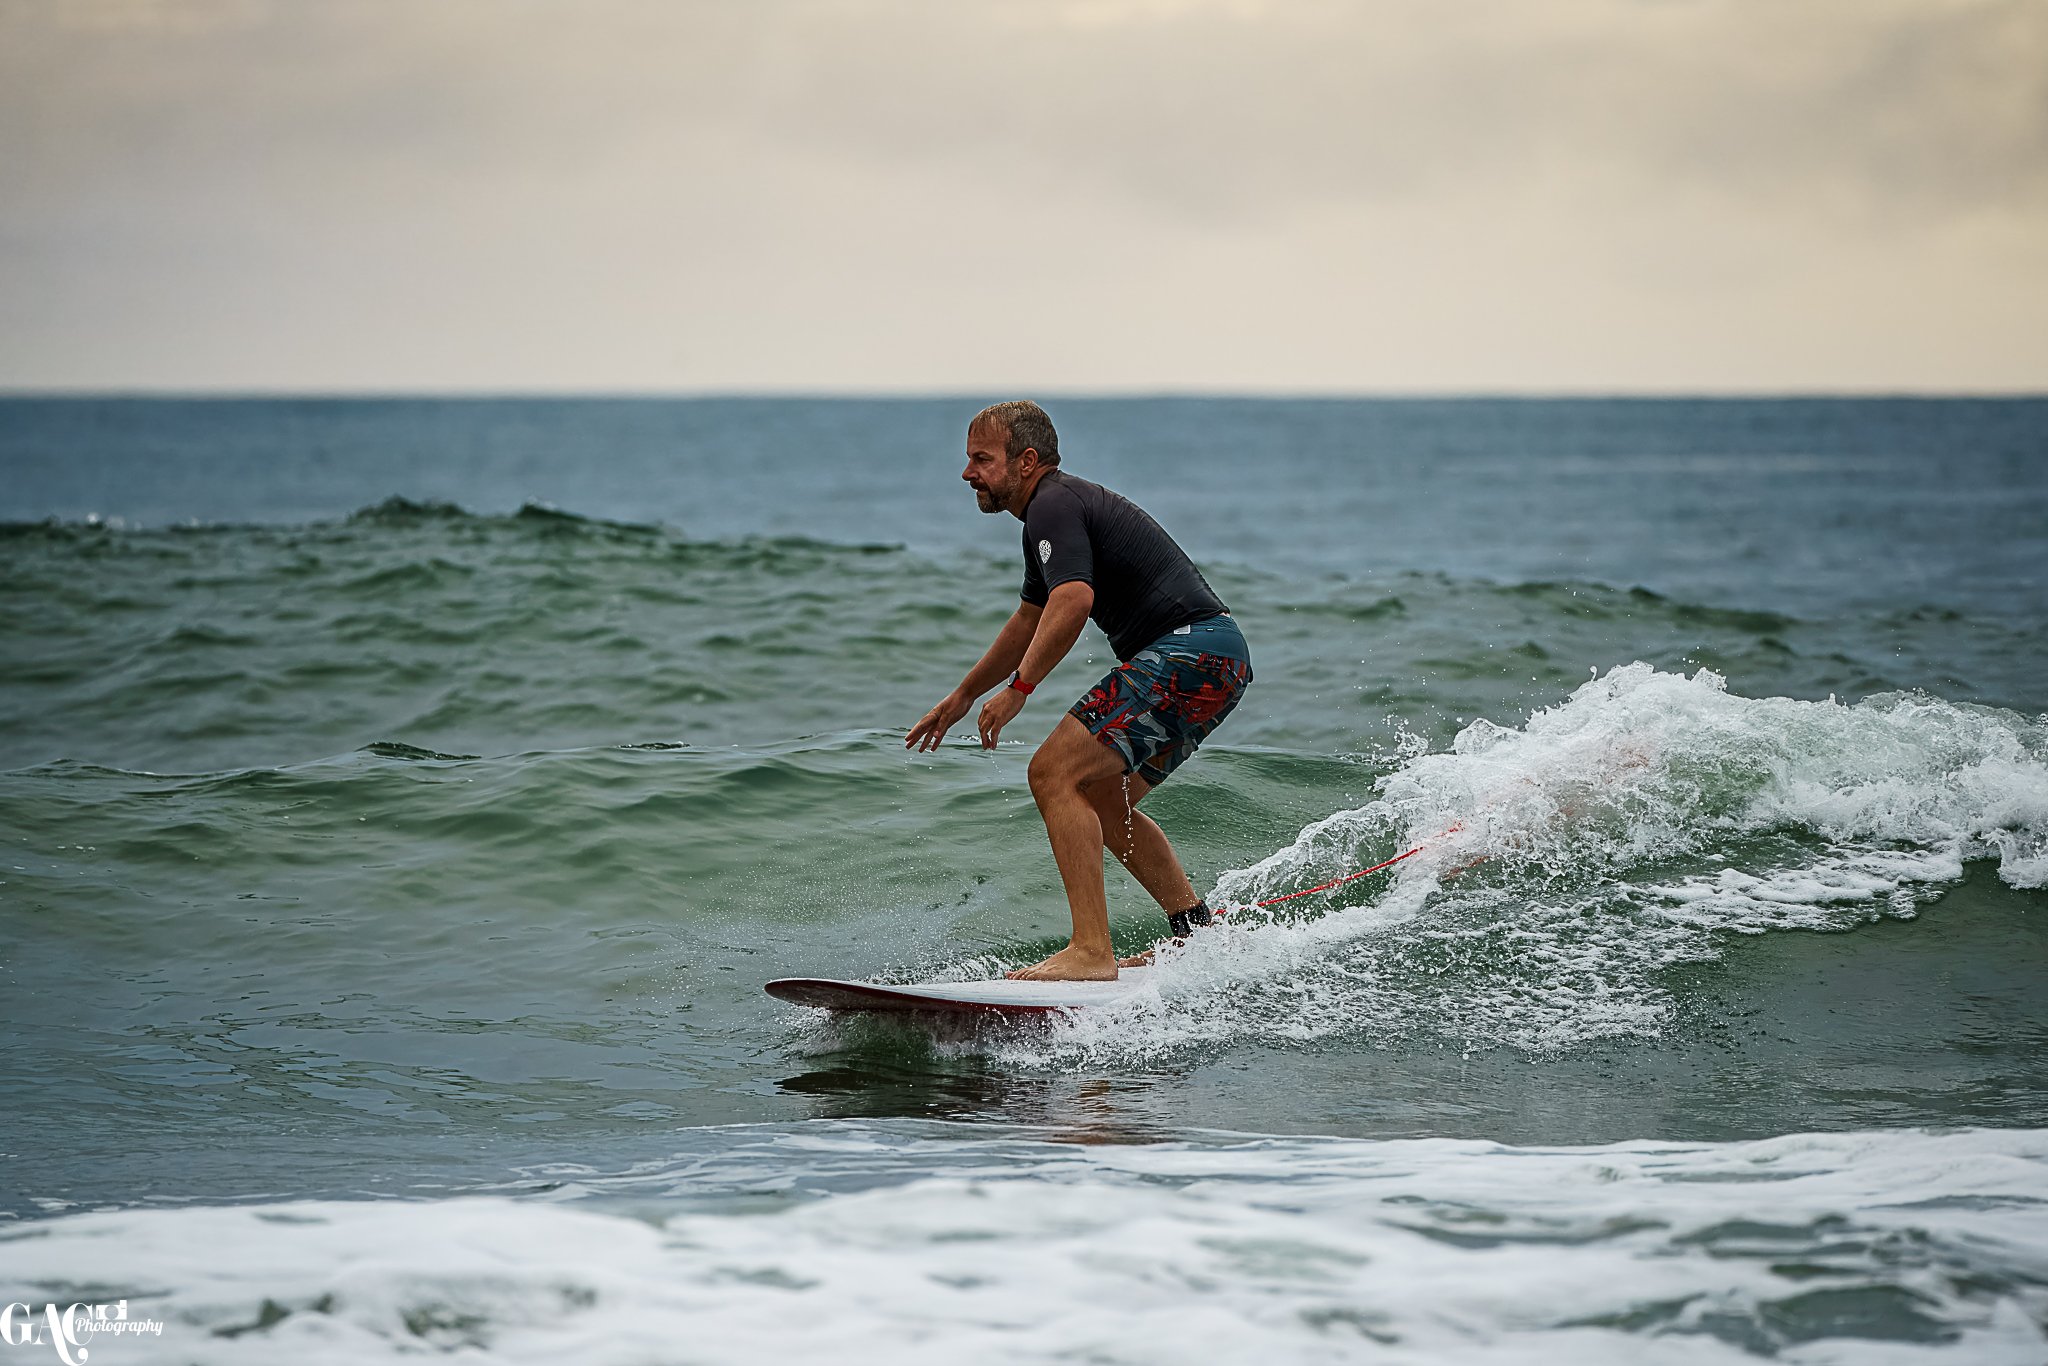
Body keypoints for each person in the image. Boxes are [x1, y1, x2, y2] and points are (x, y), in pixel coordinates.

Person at [906, 401, 1253, 981]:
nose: (967, 473)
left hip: (1187, 650)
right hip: (1220, 659)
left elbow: (1073, 600)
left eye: (981, 459)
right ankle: (1195, 931)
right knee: (1098, 801)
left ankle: (1091, 951)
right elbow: (1028, 618)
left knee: (1051, 773)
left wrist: (1020, 690)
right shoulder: (1050, 512)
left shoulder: (1052, 505)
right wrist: (964, 695)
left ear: (1027, 461)